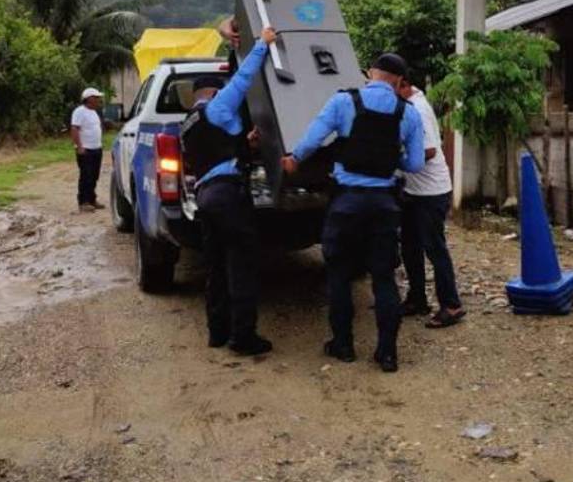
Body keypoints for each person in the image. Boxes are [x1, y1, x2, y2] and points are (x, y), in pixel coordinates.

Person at [282, 52, 424, 373]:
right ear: (399, 82)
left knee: (339, 275)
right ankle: (387, 353)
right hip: (384, 205)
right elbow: (414, 164)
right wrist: (388, 157)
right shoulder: (409, 113)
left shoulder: (343, 101)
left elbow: (312, 139)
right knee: (384, 278)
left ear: (371, 73)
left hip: (346, 203)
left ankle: (343, 345)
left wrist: (294, 160)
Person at [180, 23, 277, 356]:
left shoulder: (188, 123)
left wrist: (242, 143)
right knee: (242, 266)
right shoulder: (218, 107)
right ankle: (243, 338)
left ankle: (217, 333)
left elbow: (214, 150)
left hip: (205, 198)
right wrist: (263, 44)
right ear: (214, 91)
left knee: (216, 268)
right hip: (228, 196)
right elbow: (244, 78)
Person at [396, 78, 464, 328]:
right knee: (410, 246)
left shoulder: (417, 109)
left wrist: (395, 158)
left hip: (431, 192)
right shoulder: (409, 104)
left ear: (402, 83)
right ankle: (417, 298)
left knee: (434, 248)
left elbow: (429, 151)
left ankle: (452, 305)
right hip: (414, 191)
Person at [71, 87, 105, 213]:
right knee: (86, 175)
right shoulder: (80, 111)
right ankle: (83, 202)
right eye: (96, 98)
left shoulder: (94, 112)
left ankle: (92, 199)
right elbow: (74, 129)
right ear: (89, 99)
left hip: (96, 148)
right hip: (86, 149)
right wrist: (79, 146)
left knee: (94, 175)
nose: (98, 100)